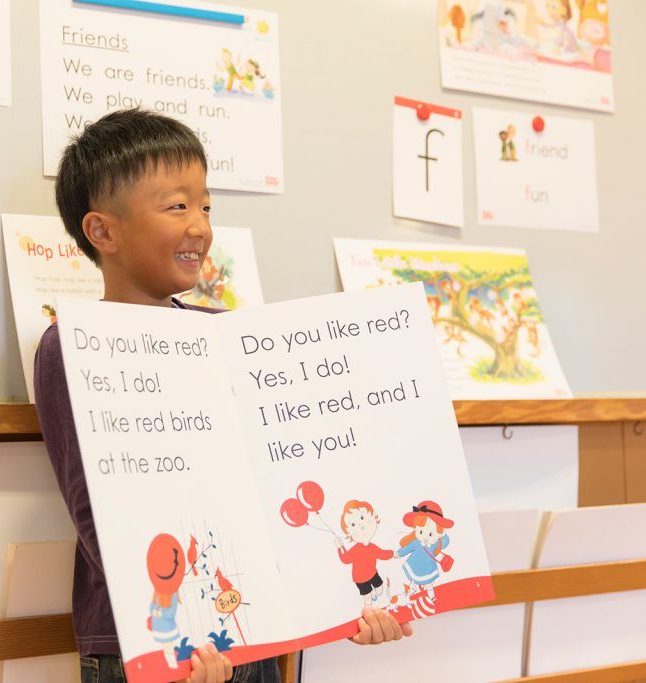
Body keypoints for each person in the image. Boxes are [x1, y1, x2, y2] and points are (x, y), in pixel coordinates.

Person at [34, 108, 412, 683]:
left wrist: (350, 603)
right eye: (176, 206)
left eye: (206, 205)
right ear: (102, 231)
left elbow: (277, 482)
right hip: (151, 641)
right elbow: (97, 519)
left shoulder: (226, 335)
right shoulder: (71, 348)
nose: (200, 225)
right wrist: (188, 617)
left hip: (252, 631)